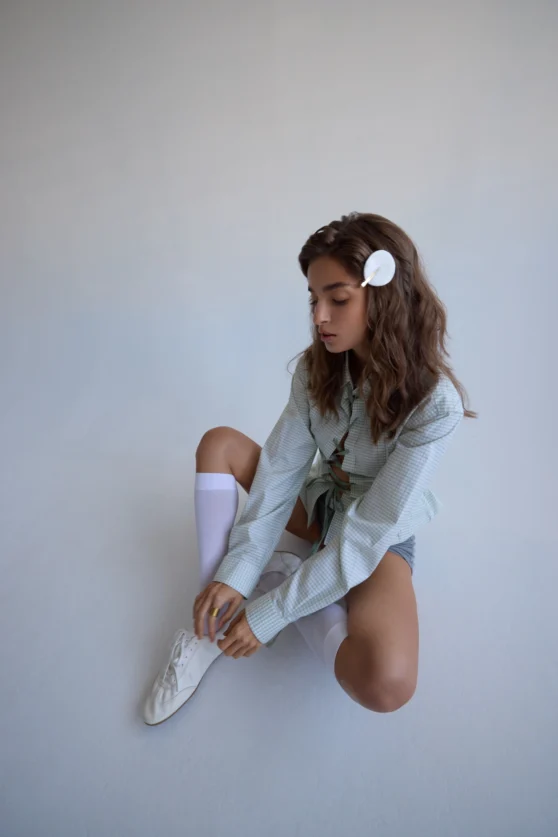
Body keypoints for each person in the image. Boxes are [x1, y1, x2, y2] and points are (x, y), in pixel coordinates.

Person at [143, 212, 475, 725]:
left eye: (337, 299)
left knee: (386, 684)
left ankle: (290, 585)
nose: (320, 316)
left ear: (383, 296)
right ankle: (210, 625)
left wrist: (273, 610)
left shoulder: (435, 406)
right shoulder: (315, 366)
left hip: (376, 534)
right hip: (319, 505)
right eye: (313, 299)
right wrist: (236, 575)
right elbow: (278, 474)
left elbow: (366, 534)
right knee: (219, 445)